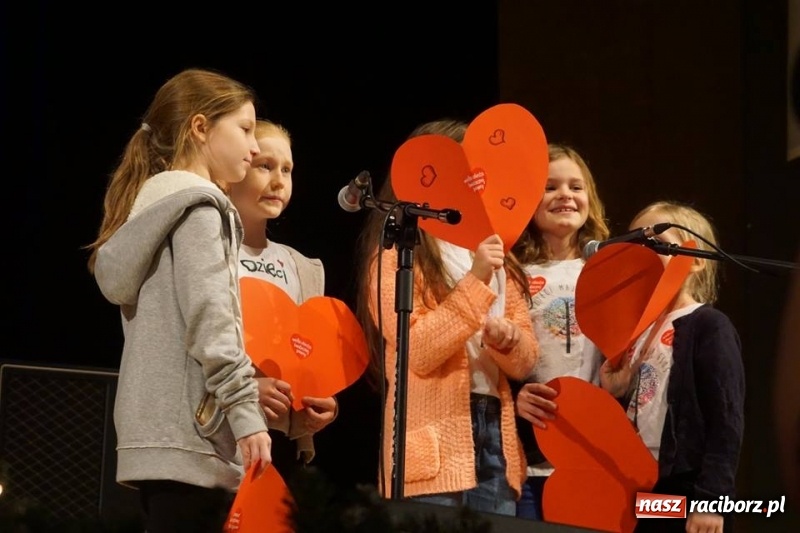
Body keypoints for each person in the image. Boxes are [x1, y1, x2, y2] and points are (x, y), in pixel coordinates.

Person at [86, 68, 271, 533]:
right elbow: (213, 321)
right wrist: (248, 417)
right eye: (245, 129)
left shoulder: (151, 204)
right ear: (201, 127)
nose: (254, 146)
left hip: (154, 436)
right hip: (193, 437)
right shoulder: (201, 209)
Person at [354, 118, 540, 516]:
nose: (471, 179)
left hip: (494, 433)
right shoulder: (398, 256)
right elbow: (417, 349)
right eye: (459, 167)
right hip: (431, 439)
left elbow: (525, 361)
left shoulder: (497, 252)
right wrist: (476, 279)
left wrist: (507, 339)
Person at [601, 201, 745, 533]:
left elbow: (726, 421)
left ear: (695, 261)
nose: (642, 252)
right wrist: (615, 392)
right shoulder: (634, 331)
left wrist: (711, 501)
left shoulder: (708, 325)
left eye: (656, 244)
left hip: (686, 487)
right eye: (636, 243)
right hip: (640, 482)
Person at [227, 119, 338, 479]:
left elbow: (309, 356)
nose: (279, 180)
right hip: (218, 437)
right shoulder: (210, 253)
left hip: (278, 445)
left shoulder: (302, 266)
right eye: (265, 166)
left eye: (287, 170)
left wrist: (320, 404)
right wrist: (246, 389)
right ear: (236, 167)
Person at [510, 143, 611, 521]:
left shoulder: (605, 270)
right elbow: (495, 355)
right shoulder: (513, 271)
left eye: (575, 186)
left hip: (595, 452)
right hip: (532, 455)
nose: (564, 195)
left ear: (591, 199)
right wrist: (517, 397)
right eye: (550, 187)